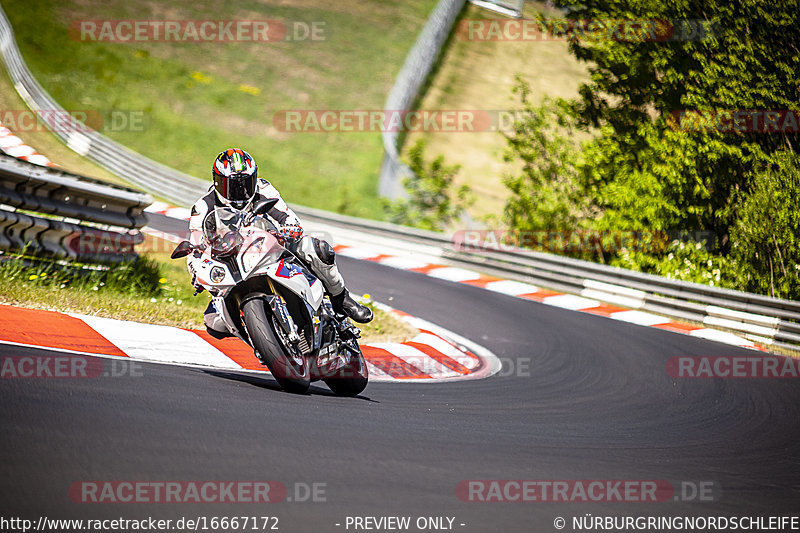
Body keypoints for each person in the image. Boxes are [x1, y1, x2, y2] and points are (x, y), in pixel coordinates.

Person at [187, 148, 373, 338]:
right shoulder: (203, 207)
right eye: (233, 185)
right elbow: (194, 247)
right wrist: (197, 272)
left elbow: (287, 216)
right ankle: (259, 334)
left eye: (246, 184)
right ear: (217, 182)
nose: (241, 191)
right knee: (214, 324)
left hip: (272, 246)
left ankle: (341, 298)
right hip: (233, 264)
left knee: (317, 249)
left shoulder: (263, 188)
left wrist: (289, 228)